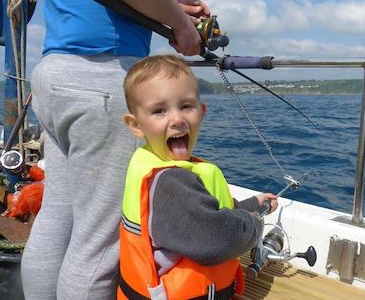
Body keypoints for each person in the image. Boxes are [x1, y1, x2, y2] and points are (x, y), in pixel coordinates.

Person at [21, 0, 211, 299]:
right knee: (99, 242)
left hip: (55, 75)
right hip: (99, 79)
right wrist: (180, 24)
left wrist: (166, 7)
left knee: (56, 215)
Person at [119, 55, 278, 299]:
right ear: (136, 125)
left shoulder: (154, 165)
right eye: (159, 110)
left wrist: (254, 203)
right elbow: (217, 239)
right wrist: (255, 222)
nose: (178, 119)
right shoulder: (170, 183)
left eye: (186, 106)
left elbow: (203, 212)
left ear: (201, 112)